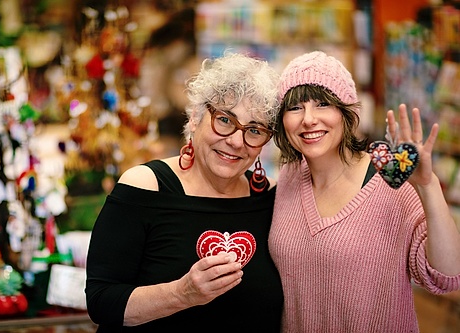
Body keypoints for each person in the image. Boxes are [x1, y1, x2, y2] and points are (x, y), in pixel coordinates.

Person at [85, 52, 284, 332]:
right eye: (225, 120)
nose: (237, 142)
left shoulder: (270, 197)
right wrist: (183, 293)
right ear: (194, 118)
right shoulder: (146, 187)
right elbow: (101, 303)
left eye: (254, 129)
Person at [269, 50, 460, 332]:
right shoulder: (288, 177)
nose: (308, 119)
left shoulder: (389, 177)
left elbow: (446, 276)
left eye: (323, 104)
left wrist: (428, 185)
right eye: (295, 108)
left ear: (347, 112)